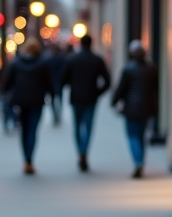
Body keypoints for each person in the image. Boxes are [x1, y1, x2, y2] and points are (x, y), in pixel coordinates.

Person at [59, 35, 111, 171]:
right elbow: (107, 81)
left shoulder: (71, 59)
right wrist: (97, 92)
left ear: (81, 44)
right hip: (90, 98)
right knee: (88, 126)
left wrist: (71, 85)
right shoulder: (97, 60)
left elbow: (62, 80)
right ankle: (84, 151)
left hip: (76, 98)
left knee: (77, 127)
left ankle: (81, 152)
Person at [2, 38, 51, 174]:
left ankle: (26, 159)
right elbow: (48, 82)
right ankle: (29, 159)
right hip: (37, 101)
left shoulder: (16, 63)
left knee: (24, 130)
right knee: (32, 131)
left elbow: (8, 83)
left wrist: (6, 96)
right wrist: (52, 95)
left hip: (21, 101)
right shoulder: (42, 63)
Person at [110, 40, 159, 178]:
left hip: (131, 108)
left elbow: (121, 88)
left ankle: (138, 163)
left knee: (133, 136)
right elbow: (155, 89)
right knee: (141, 136)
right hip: (146, 107)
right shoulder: (152, 68)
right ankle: (140, 162)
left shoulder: (128, 68)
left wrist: (114, 101)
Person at [44, 44, 66, 126]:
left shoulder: (49, 60)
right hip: (59, 82)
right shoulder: (62, 59)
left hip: (52, 82)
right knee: (59, 99)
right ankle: (58, 115)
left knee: (53, 100)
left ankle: (55, 115)